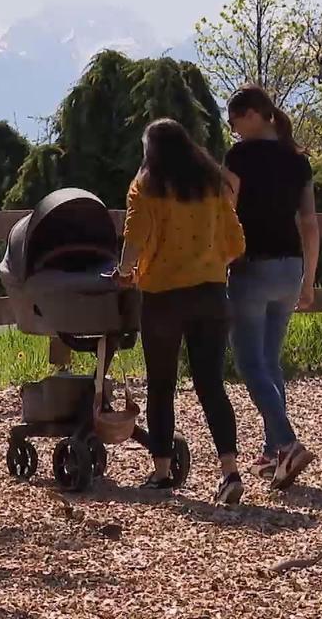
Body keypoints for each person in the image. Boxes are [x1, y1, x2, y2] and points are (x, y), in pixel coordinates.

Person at [114, 118, 247, 505]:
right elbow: (236, 241)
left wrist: (126, 274)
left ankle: (161, 471)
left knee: (161, 384)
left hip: (163, 297)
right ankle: (229, 471)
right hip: (209, 294)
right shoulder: (211, 186)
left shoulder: (145, 188)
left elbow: (134, 239)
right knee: (211, 385)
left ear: (151, 151)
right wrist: (206, 261)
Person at [223, 84, 319, 491]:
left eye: (233, 122)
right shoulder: (298, 161)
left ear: (250, 115)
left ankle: (287, 441)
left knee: (249, 364)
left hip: (253, 268)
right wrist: (309, 280)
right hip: (291, 267)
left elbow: (225, 213)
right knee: (270, 361)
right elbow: (311, 224)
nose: (233, 130)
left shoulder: (239, 157)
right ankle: (271, 453)